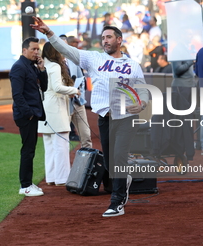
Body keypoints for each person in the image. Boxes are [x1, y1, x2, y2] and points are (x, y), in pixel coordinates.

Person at [31, 18, 148, 217]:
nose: (105, 41)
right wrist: (49, 33)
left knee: (118, 157)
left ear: (119, 40)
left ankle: (116, 202)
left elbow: (144, 91)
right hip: (105, 117)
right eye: (103, 38)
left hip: (127, 118)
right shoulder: (94, 58)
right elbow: (68, 50)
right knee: (112, 163)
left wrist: (142, 104)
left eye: (109, 37)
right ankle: (124, 178)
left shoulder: (132, 65)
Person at [10, 37, 48, 196]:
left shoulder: (32, 66)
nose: (36, 52)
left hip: (31, 113)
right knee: (27, 150)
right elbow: (17, 95)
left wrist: (42, 70)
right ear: (24, 50)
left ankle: (28, 183)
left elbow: (44, 87)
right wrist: (29, 114)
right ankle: (25, 185)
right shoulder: (19, 67)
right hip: (26, 115)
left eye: (38, 49)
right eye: (33, 49)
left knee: (30, 149)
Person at [38, 42, 80, 186]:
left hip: (45, 106)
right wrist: (74, 90)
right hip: (56, 106)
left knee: (49, 146)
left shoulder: (43, 66)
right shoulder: (55, 66)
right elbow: (57, 87)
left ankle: (51, 177)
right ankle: (62, 178)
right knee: (61, 145)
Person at [60, 35, 92, 148]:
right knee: (62, 139)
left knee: (86, 135)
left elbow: (81, 78)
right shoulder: (51, 64)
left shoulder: (73, 60)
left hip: (77, 102)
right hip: (62, 104)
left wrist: (80, 95)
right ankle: (64, 165)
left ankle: (87, 164)